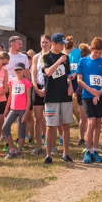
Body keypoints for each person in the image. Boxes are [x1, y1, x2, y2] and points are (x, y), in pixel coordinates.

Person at [77, 37, 102, 164]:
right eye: (96, 52)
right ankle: (88, 149)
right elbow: (79, 80)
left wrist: (100, 92)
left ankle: (95, 150)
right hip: (87, 95)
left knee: (98, 123)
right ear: (91, 49)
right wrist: (92, 91)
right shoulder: (83, 61)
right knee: (90, 122)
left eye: (100, 52)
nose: (97, 54)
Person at [42, 33, 74, 164]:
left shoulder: (65, 57)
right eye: (61, 43)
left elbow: (67, 74)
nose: (63, 46)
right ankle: (48, 154)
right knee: (51, 126)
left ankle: (65, 153)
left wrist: (70, 84)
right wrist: (59, 61)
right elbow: (48, 72)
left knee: (66, 125)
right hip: (51, 96)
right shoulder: (46, 57)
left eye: (64, 44)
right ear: (53, 44)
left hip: (65, 95)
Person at [1, 63, 32, 158]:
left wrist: (26, 113)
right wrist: (6, 108)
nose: (18, 72)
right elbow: (10, 96)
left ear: (23, 71)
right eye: (16, 70)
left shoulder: (27, 83)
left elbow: (29, 99)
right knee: (5, 127)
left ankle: (19, 151)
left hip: (22, 109)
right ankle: (12, 148)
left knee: (21, 130)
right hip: (13, 109)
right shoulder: (12, 82)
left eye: (20, 70)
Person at [29, 34, 50, 156]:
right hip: (37, 88)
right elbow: (33, 74)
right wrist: (36, 88)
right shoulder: (36, 57)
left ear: (50, 43)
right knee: (38, 119)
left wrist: (47, 89)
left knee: (49, 119)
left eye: (46, 42)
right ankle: (38, 146)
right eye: (42, 42)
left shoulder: (52, 56)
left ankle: (50, 144)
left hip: (49, 90)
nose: (44, 44)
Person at [65, 36, 85, 147]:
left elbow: (79, 65)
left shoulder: (77, 52)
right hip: (65, 80)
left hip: (75, 79)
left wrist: (75, 74)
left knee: (77, 104)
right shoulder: (63, 53)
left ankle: (79, 121)